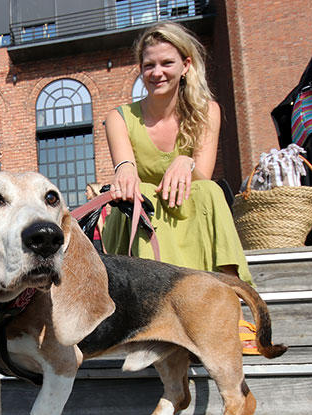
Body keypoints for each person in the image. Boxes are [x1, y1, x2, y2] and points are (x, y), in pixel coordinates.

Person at [102, 22, 257, 354]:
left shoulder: (207, 111)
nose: (157, 72)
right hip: (142, 213)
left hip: (187, 207)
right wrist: (125, 171)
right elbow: (125, 167)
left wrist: (186, 161)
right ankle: (150, 316)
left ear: (186, 65)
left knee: (210, 191)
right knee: (141, 194)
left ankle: (232, 309)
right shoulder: (119, 118)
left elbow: (202, 174)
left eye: (166, 63)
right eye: (149, 65)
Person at [85, 182, 111, 253]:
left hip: (97, 242)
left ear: (94, 191)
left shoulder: (96, 206)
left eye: (87, 191)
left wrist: (104, 246)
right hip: (96, 241)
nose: (85, 193)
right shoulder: (98, 205)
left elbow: (101, 227)